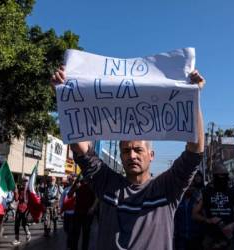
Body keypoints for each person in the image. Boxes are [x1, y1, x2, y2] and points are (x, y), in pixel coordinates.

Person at [51, 66, 205, 250]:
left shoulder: (167, 188)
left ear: (151, 155)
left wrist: (193, 97)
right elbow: (81, 148)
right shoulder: (106, 183)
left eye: (138, 149)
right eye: (125, 151)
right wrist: (64, 95)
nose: (131, 155)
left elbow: (195, 151)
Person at [192, 164, 234, 250]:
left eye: (225, 175)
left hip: (229, 237)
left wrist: (233, 225)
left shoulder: (233, 192)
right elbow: (194, 214)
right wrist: (207, 220)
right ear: (214, 176)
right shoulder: (205, 192)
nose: (223, 177)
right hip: (211, 237)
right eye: (220, 175)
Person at [174, 171, 205, 250]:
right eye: (188, 186)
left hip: (195, 237)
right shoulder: (178, 201)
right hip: (181, 238)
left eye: (192, 186)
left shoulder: (197, 201)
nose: (190, 188)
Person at [11, 177, 31, 246]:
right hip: (19, 208)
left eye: (26, 181)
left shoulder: (29, 190)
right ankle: (17, 239)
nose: (24, 182)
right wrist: (16, 191)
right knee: (16, 224)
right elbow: (16, 199)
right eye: (23, 181)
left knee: (24, 224)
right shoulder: (20, 189)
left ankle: (28, 234)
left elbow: (32, 200)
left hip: (26, 209)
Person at [60, 174, 77, 250]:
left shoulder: (77, 189)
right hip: (66, 213)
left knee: (71, 231)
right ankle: (71, 242)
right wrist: (61, 211)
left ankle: (70, 246)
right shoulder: (65, 190)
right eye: (71, 180)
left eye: (73, 180)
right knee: (66, 229)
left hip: (74, 214)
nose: (72, 182)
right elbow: (61, 201)